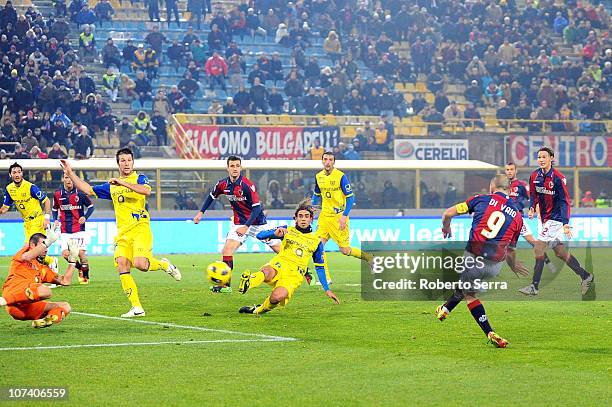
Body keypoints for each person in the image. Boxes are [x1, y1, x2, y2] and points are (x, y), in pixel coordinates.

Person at [60, 148, 182, 318]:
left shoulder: (139, 178)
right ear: (118, 163)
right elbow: (87, 190)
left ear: (133, 163)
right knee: (122, 264)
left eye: (129, 160)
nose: (126, 163)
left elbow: (146, 191)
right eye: (123, 161)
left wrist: (122, 183)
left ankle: (164, 265)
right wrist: (70, 173)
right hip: (123, 234)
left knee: (141, 264)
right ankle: (137, 307)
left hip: (140, 229)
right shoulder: (111, 186)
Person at [436, 175, 530, 348]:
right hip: (495, 266)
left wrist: (446, 227)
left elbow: (447, 213)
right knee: (467, 283)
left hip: (474, 258)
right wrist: (513, 265)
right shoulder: (517, 216)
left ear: (492, 187)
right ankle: (445, 309)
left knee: (470, 294)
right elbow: (511, 250)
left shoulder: (481, 199)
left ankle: (489, 331)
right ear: (509, 190)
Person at [193, 156, 283, 293]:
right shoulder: (222, 184)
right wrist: (201, 213)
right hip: (238, 223)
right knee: (227, 250)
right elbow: (211, 196)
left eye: (237, 166)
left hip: (257, 223)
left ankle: (305, 272)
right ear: (227, 168)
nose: (235, 168)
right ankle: (226, 286)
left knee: (281, 251)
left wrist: (246, 226)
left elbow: (257, 208)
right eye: (232, 166)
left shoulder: (247, 185)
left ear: (240, 168)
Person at [237, 204, 339, 315]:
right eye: (300, 216)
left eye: (306, 216)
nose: (303, 219)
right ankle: (248, 282)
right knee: (267, 272)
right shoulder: (286, 230)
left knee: (276, 297)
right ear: (295, 218)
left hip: (294, 275)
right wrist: (273, 233)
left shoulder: (316, 241)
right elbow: (260, 235)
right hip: (280, 264)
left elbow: (320, 267)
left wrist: (327, 289)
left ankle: (257, 310)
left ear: (311, 219)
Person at [519, 147, 594, 296]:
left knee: (538, 248)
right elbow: (533, 194)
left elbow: (564, 201)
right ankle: (586, 276)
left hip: (556, 218)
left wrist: (565, 223)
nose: (541, 159)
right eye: (539, 157)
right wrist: (532, 207)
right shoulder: (534, 175)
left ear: (551, 158)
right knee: (560, 252)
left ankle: (534, 286)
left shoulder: (558, 178)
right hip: (544, 219)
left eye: (544, 157)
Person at [312, 152, 373, 283]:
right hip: (324, 217)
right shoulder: (318, 177)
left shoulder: (341, 176)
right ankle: (326, 278)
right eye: (325, 159)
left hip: (338, 217)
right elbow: (316, 194)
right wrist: (311, 207)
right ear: (322, 161)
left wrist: (344, 216)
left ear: (334, 162)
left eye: (330, 160)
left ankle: (368, 257)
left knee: (344, 250)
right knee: (318, 246)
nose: (328, 162)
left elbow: (351, 198)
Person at [0, 228, 78, 328]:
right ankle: (4, 300)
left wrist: (72, 261)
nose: (46, 249)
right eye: (43, 244)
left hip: (27, 309)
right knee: (46, 291)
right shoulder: (22, 256)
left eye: (47, 246)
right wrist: (47, 242)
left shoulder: (43, 269)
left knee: (65, 306)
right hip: (13, 301)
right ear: (32, 245)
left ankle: (45, 321)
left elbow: (65, 281)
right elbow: (28, 256)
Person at [505, 162, 555, 272]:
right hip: (505, 219)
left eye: (511, 169)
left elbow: (533, 198)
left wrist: (537, 211)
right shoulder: (502, 185)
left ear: (516, 170)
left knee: (532, 241)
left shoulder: (521, 185)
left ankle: (547, 262)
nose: (509, 171)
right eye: (507, 169)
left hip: (518, 218)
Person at [52, 173, 95, 284]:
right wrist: (55, 219)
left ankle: (85, 276)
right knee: (66, 254)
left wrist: (85, 217)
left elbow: (91, 207)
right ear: (63, 179)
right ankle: (81, 268)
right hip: (65, 230)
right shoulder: (57, 194)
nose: (69, 180)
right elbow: (54, 208)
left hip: (79, 229)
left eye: (71, 178)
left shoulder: (80, 193)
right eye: (66, 177)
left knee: (81, 253)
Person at [0, 163, 52, 246]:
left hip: (37, 220)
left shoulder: (31, 187)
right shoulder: (9, 189)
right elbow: (5, 208)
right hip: (27, 223)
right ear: (10, 175)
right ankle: (52, 260)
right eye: (14, 172)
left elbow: (46, 201)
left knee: (28, 246)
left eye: (19, 172)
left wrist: (46, 218)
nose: (17, 175)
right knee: (36, 251)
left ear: (22, 173)